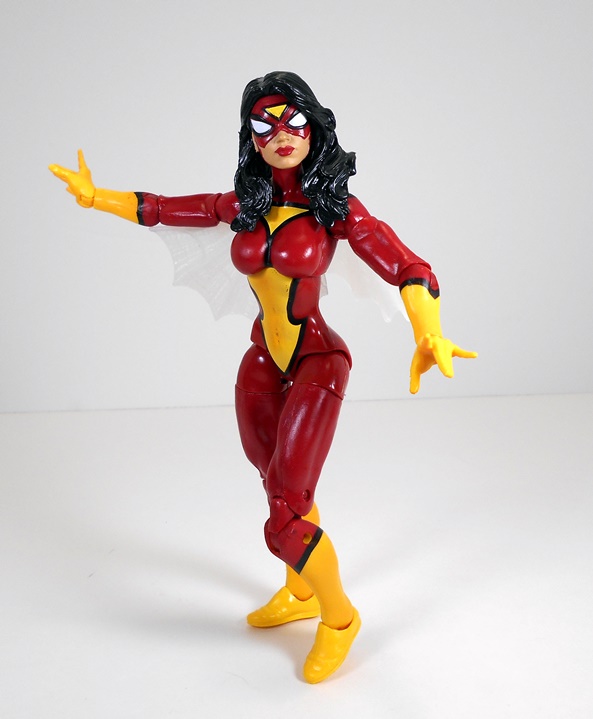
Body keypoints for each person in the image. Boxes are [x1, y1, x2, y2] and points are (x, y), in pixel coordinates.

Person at [49, 70, 476, 683]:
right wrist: (96, 197)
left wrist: (427, 329)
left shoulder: (334, 210)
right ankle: (300, 591)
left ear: (314, 128)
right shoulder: (243, 206)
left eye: (293, 121)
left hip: (316, 359)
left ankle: (339, 619)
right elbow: (162, 209)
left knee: (284, 517)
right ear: (250, 137)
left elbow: (409, 267)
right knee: (273, 478)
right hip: (261, 360)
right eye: (264, 123)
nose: (281, 135)